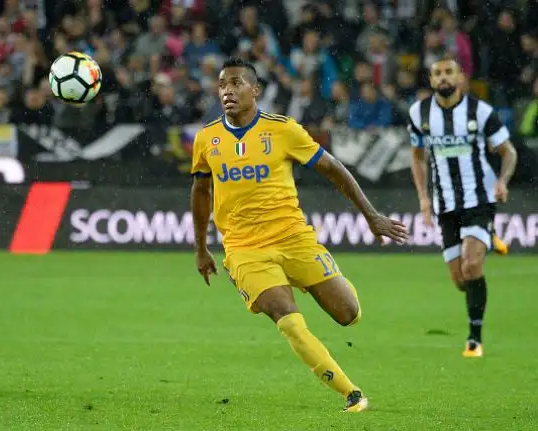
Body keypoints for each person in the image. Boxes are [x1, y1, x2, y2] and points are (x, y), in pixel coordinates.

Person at [190, 58, 409, 413]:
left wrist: (371, 216)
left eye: (236, 83)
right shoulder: (206, 139)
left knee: (348, 313)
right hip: (245, 249)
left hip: (294, 238)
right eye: (222, 85)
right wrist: (201, 248)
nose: (227, 91)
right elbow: (201, 192)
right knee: (288, 319)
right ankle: (351, 393)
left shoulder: (283, 130)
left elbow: (333, 169)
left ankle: (314, 281)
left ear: (255, 90)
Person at [408, 57, 518, 358]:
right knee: (460, 280)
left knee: (471, 266)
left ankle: (474, 339)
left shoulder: (480, 111)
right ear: (431, 80)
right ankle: (488, 239)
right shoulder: (419, 113)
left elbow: (508, 152)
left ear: (460, 78)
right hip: (445, 204)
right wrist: (423, 198)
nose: (443, 78)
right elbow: (417, 156)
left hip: (479, 198)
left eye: (449, 72)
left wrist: (503, 181)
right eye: (437, 73)